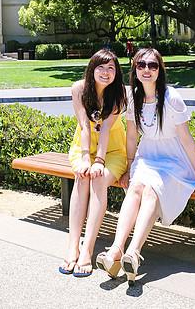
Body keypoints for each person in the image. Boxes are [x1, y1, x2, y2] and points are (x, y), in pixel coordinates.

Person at [96, 48, 195, 284]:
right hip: (147, 156)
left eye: (152, 65)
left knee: (152, 188)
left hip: (174, 160)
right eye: (141, 65)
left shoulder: (171, 96)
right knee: (136, 187)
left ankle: (133, 252)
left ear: (159, 70)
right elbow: (132, 136)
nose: (146, 69)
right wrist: (130, 166)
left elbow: (186, 139)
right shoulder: (133, 97)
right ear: (135, 68)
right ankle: (115, 250)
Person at [59, 49, 127, 278]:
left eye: (111, 68)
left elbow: (106, 129)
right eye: (101, 67)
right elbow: (85, 126)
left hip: (114, 150)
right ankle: (72, 247)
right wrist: (86, 159)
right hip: (83, 147)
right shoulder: (79, 89)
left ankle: (87, 249)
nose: (106, 72)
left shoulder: (118, 95)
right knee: (82, 177)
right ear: (91, 68)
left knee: (97, 181)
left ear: (116, 73)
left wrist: (99, 161)